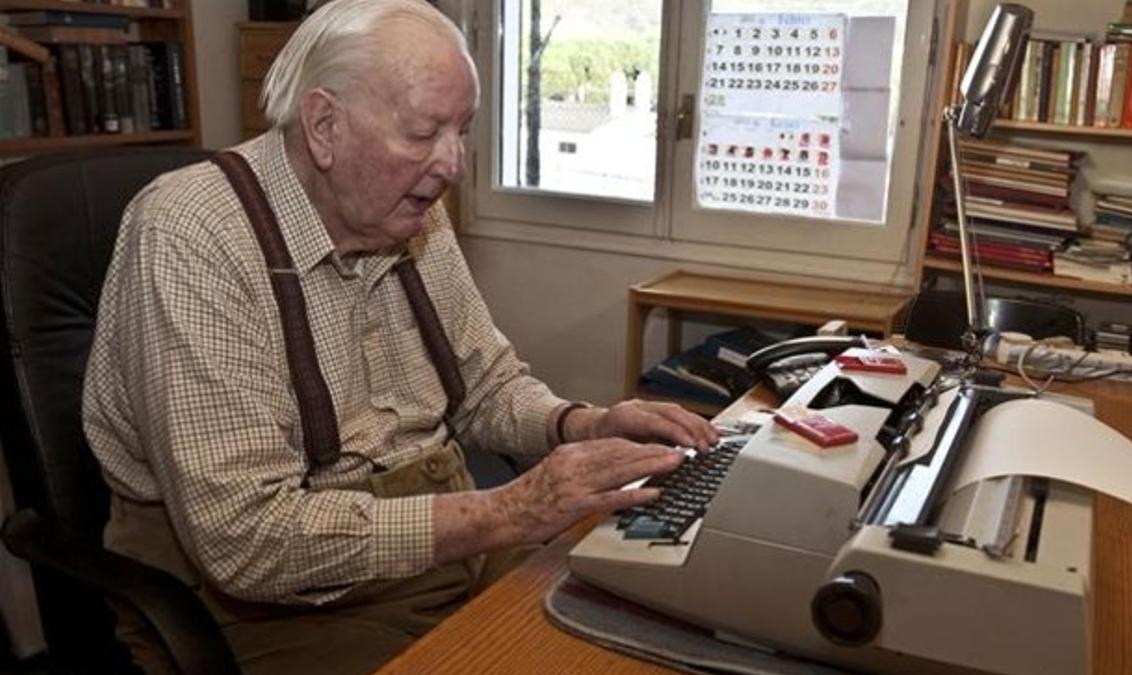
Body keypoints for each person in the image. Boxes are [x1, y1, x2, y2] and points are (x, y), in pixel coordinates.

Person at [81, 1, 719, 673]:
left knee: (652, 635)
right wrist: (510, 509)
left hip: (443, 545)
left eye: (463, 131)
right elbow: (244, 540)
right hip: (275, 601)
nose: (452, 164)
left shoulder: (408, 211)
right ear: (325, 125)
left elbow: (487, 389)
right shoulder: (192, 234)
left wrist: (583, 424)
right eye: (423, 131)